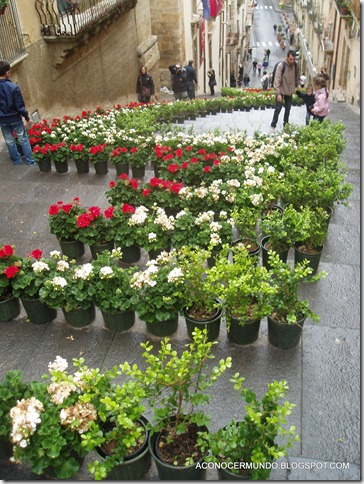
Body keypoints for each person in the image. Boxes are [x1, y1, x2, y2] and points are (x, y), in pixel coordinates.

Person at [0, 61, 35, 166]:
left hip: (2, 120)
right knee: (23, 139)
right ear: (7, 73)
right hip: (15, 118)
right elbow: (20, 106)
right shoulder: (13, 87)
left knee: (9, 142)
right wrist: (27, 118)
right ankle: (31, 161)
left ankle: (17, 162)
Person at [270, 49, 300, 130]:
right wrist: (278, 94)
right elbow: (277, 80)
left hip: (289, 91)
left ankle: (286, 124)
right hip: (281, 91)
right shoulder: (281, 66)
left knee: (288, 109)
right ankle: (273, 125)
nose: (292, 61)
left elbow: (297, 77)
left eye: (294, 59)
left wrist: (298, 85)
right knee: (278, 109)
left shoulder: (295, 66)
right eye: (291, 59)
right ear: (287, 57)